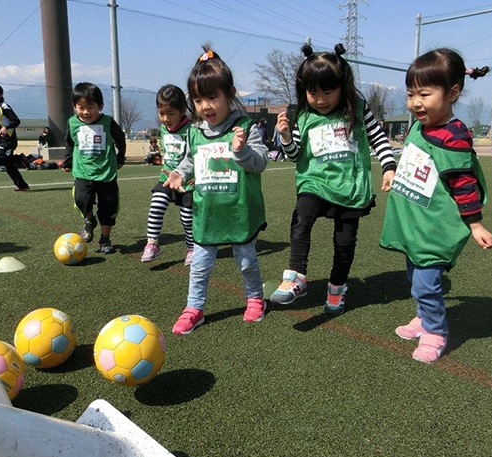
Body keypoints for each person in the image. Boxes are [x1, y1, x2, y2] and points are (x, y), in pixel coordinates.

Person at [380, 48, 492, 364]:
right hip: (416, 223)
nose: (415, 102)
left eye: (425, 94)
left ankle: (435, 331)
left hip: (434, 228)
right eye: (410, 94)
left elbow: (464, 183)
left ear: (452, 92)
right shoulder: (422, 123)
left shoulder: (454, 136)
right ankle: (424, 315)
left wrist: (475, 224)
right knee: (414, 274)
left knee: (425, 280)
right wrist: (394, 172)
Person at [268, 43, 396, 316]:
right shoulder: (304, 117)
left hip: (350, 186)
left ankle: (337, 288)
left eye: (328, 92)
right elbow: (295, 155)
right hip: (314, 182)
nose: (320, 99)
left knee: (345, 243)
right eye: (312, 92)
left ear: (343, 87)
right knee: (301, 218)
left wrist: (389, 166)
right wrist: (287, 137)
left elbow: (378, 139)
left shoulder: (358, 110)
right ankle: (296, 276)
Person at [163, 45, 269, 334]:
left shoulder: (245, 127)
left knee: (246, 262)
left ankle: (255, 298)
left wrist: (242, 150)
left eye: (212, 97)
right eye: (197, 100)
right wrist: (177, 173)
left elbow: (260, 163)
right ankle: (194, 308)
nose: (205, 106)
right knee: (199, 267)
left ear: (229, 93)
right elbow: (190, 159)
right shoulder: (195, 132)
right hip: (206, 214)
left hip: (239, 213)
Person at [63, 82, 126, 254]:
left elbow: (120, 139)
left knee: (108, 206)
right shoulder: (72, 123)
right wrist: (67, 161)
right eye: (81, 107)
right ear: (74, 107)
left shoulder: (108, 122)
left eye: (91, 107)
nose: (86, 112)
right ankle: (89, 220)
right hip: (83, 172)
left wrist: (120, 157)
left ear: (100, 106)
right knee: (81, 199)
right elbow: (69, 143)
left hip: (106, 173)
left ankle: (105, 239)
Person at [141, 85, 194, 266]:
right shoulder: (163, 129)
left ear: (182, 111)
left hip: (187, 183)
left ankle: (192, 248)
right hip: (166, 179)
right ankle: (152, 243)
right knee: (156, 206)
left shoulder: (192, 130)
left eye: (170, 114)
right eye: (161, 113)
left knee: (187, 217)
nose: (165, 118)